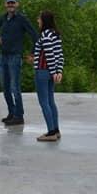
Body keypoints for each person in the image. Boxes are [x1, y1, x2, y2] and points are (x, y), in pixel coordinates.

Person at [0, 0, 37, 126]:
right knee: (5, 87)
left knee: (14, 87)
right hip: (3, 56)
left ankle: (19, 116)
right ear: (5, 5)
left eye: (13, 3)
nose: (11, 5)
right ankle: (11, 113)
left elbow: (34, 35)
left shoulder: (21, 19)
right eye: (8, 3)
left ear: (17, 4)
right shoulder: (4, 18)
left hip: (15, 57)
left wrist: (33, 53)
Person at [30, 10, 64, 142]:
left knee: (44, 102)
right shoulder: (56, 35)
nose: (37, 20)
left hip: (43, 72)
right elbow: (59, 55)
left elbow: (49, 55)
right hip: (50, 72)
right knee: (50, 101)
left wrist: (53, 72)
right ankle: (56, 130)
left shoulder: (45, 35)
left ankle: (51, 132)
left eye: (39, 18)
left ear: (44, 20)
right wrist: (58, 71)